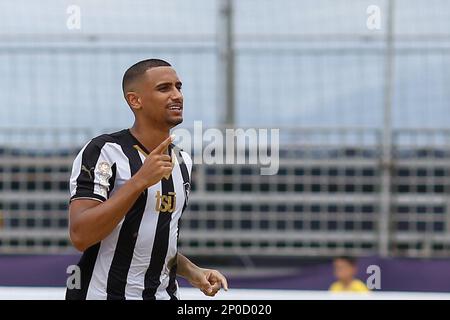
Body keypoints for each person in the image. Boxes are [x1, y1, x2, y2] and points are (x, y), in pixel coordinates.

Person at [66, 59, 228, 300]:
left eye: (179, 87)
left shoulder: (183, 161)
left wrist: (192, 271)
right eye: (164, 88)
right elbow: (81, 235)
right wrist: (139, 181)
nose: (177, 96)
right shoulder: (103, 152)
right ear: (135, 100)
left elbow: (151, 240)